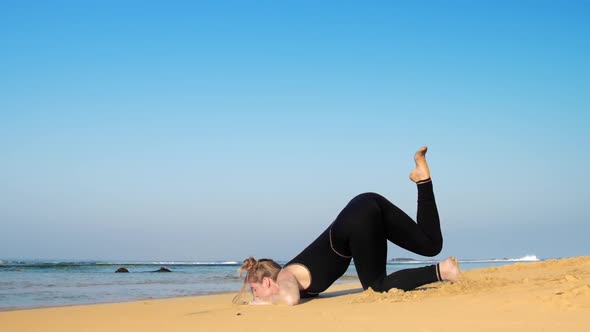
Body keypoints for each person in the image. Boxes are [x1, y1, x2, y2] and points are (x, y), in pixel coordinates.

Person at [234, 146, 460, 305]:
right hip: (365, 204)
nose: (256, 297)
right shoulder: (292, 279)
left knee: (377, 286)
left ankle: (442, 271)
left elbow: (290, 299)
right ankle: (423, 180)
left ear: (266, 282)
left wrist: (263, 304)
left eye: (255, 291)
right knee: (431, 245)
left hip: (358, 217)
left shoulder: (284, 276)